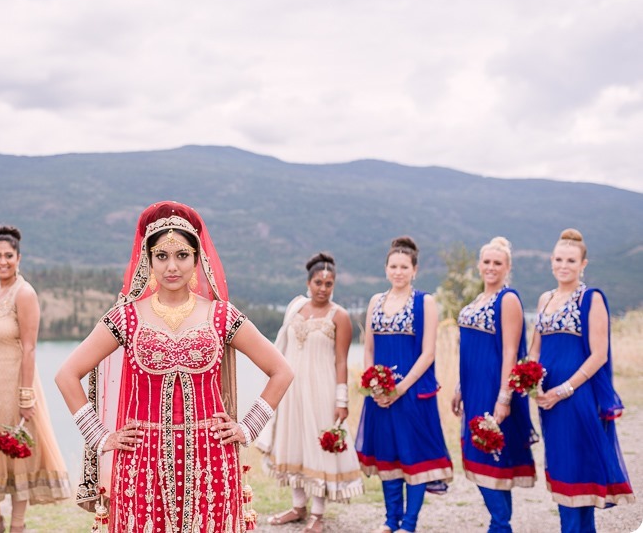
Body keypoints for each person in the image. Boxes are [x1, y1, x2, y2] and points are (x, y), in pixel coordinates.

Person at [55, 201, 293, 533]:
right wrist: (100, 436)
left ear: (197, 260)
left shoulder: (221, 315)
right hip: (141, 463)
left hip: (211, 463)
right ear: (148, 260)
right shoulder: (126, 317)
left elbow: (282, 371)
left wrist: (247, 428)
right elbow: (66, 375)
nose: (172, 266)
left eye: (182, 255)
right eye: (162, 256)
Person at [0, 225, 71, 532]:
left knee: (14, 453)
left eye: (8, 256)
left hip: (12, 385)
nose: (3, 262)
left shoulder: (24, 294)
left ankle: (18, 525)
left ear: (19, 258)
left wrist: (26, 396)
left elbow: (29, 347)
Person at [530, 228, 635, 532]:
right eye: (559, 259)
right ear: (551, 261)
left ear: (583, 264)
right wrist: (532, 381)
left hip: (577, 398)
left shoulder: (592, 299)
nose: (564, 265)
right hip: (548, 400)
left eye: (571, 260)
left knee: (579, 471)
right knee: (564, 470)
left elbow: (599, 354)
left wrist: (564, 390)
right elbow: (536, 348)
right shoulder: (545, 299)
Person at [259, 252, 364, 532]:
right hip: (291, 389)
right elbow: (280, 347)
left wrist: (341, 400)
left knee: (320, 447)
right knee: (292, 441)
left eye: (329, 284)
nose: (323, 288)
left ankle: (317, 513)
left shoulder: (339, 316)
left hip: (322, 389)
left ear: (334, 285)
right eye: (318, 282)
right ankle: (297, 507)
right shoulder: (295, 307)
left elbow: (342, 360)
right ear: (309, 281)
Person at [356, 236, 453, 533]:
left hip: (412, 393)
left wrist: (400, 388)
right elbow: (369, 348)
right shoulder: (376, 301)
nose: (398, 272)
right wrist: (374, 384)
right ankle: (390, 520)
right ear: (386, 269)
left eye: (404, 267)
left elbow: (428, 353)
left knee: (415, 457)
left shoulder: (425, 302)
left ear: (414, 270)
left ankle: (408, 524)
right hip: (380, 395)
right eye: (393, 266)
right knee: (388, 457)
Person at [451, 236, 536, 533]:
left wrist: (504, 397)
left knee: (493, 456)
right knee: (478, 457)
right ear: (479, 265)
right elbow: (469, 349)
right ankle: (500, 524)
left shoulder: (507, 299)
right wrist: (460, 386)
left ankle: (500, 526)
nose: (490, 267)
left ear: (507, 267)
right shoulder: (477, 300)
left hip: (493, 390)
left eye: (497, 263)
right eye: (486, 262)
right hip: (473, 390)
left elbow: (511, 352)